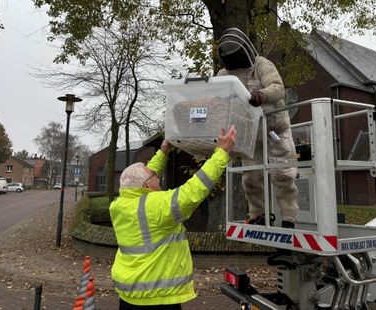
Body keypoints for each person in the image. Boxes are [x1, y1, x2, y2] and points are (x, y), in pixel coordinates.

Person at [110, 126, 237, 309]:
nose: (158, 179)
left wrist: (163, 152)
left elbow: (145, 178)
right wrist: (221, 153)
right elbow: (192, 191)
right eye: (154, 177)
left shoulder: (122, 204)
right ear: (146, 186)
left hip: (130, 294)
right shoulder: (154, 206)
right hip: (155, 298)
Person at [216, 27, 298, 229]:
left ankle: (288, 218)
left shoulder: (262, 64)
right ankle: (257, 214)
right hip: (250, 132)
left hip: (274, 130)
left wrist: (261, 95)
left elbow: (278, 88)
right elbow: (218, 97)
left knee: (283, 174)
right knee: (251, 178)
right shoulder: (223, 74)